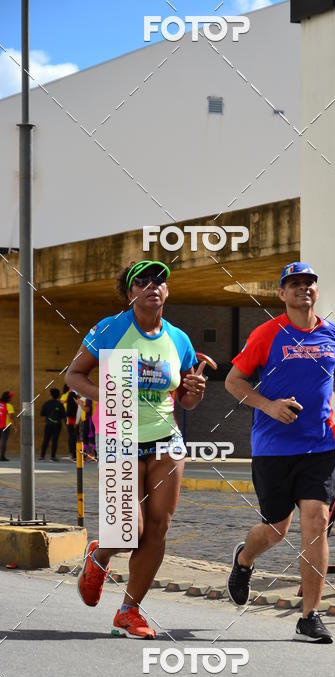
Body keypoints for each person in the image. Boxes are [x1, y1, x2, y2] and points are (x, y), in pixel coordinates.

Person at [225, 262, 335, 644]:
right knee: (277, 529)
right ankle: (244, 559)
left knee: (316, 520)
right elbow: (233, 381)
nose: (303, 289)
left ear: (317, 291)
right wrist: (269, 405)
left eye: (309, 283)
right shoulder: (266, 334)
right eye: (294, 284)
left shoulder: (332, 333)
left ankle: (310, 616)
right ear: (282, 293)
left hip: (320, 445)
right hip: (274, 448)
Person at [66, 260, 206, 639]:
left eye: (159, 280)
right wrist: (107, 394)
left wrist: (192, 394)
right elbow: (74, 375)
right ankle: (99, 556)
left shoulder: (178, 339)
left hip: (165, 440)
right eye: (141, 281)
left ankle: (129, 610)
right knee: (127, 529)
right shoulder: (111, 328)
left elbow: (185, 398)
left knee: (158, 527)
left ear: (167, 291)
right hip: (119, 434)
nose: (151, 286)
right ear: (130, 293)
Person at [40, 388, 66, 461]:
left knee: (46, 440)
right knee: (55, 440)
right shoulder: (60, 404)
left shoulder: (46, 403)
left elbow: (42, 413)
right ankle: (53, 456)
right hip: (57, 424)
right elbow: (63, 415)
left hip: (48, 424)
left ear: (51, 395)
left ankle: (42, 456)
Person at [0, 391, 17, 461]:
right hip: (5, 426)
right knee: (3, 441)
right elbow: (11, 417)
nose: (11, 398)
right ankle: (2, 456)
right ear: (8, 398)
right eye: (11, 397)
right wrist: (15, 426)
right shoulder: (9, 406)